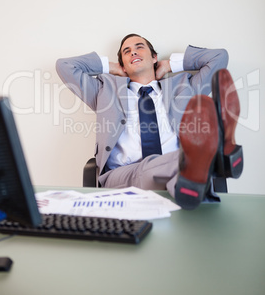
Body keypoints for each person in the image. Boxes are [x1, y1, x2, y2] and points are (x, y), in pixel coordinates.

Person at [56, 34, 243, 210]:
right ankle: (214, 160)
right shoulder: (104, 91)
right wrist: (110, 67)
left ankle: (191, 179)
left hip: (177, 169)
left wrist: (170, 65)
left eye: (139, 47)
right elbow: (64, 66)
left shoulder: (184, 86)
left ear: (154, 57)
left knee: (181, 175)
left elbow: (219, 57)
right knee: (155, 168)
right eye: (126, 52)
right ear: (123, 65)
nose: (133, 52)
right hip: (123, 174)